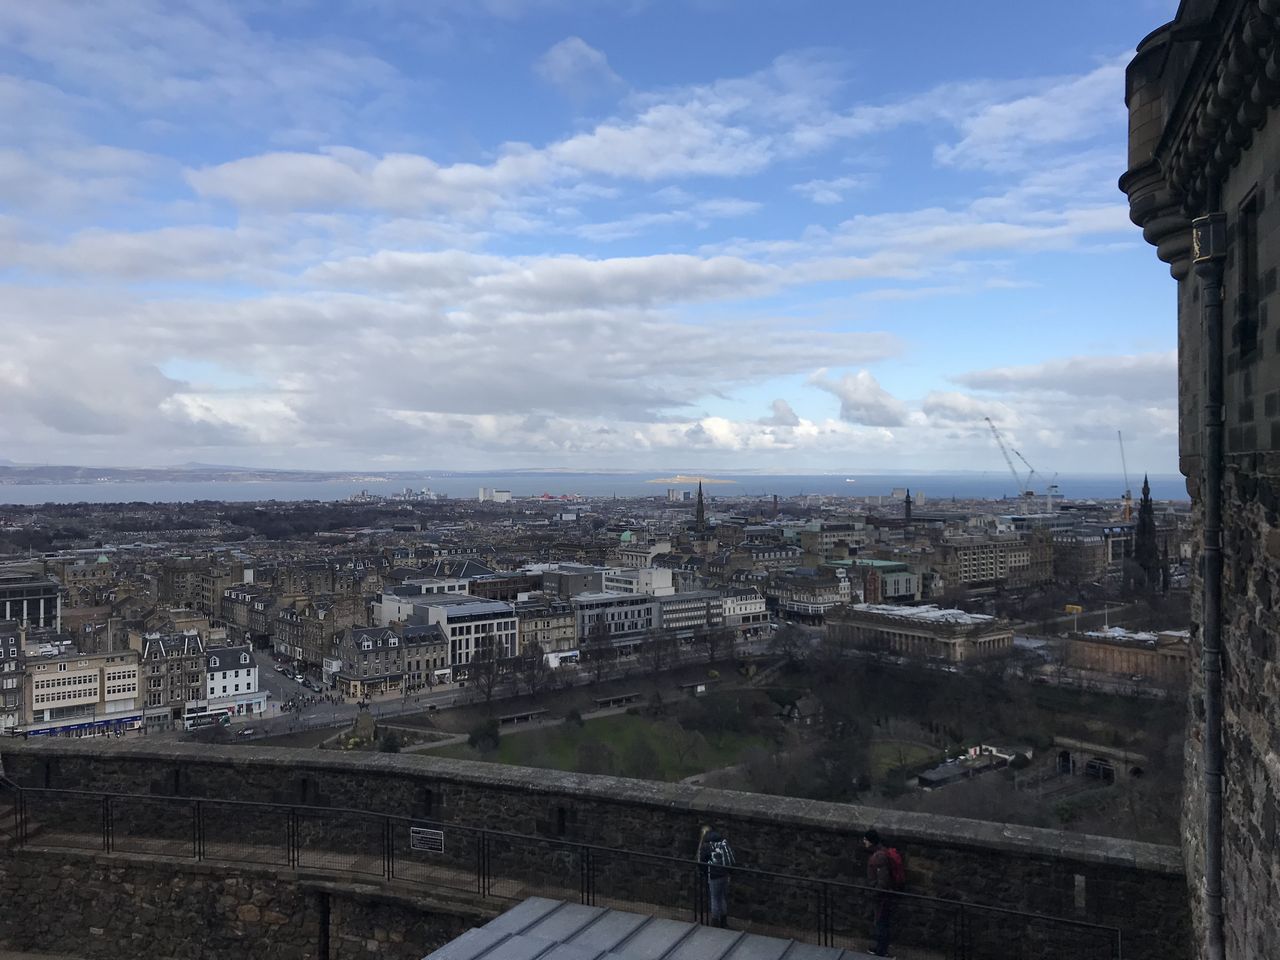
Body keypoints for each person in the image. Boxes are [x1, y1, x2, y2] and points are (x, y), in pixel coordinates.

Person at [863, 828, 897, 957]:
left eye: (866, 840)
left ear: (871, 841)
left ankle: (881, 951)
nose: (864, 842)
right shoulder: (880, 853)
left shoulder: (879, 857)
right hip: (882, 895)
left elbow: (883, 881)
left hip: (881, 897)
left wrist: (875, 893)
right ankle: (880, 948)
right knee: (881, 922)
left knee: (881, 922)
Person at [698, 824, 735, 928]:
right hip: (724, 875)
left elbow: (702, 862)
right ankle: (724, 922)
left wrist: (705, 873)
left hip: (714, 876)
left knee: (714, 898)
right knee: (722, 897)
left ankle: (715, 923)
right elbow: (731, 859)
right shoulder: (723, 844)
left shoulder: (708, 847)